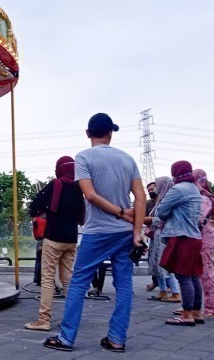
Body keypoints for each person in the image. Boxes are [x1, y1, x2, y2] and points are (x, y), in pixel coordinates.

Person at [43, 113, 145, 353]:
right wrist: (137, 231)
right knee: (123, 285)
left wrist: (120, 212)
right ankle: (117, 339)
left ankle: (67, 338)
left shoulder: (83, 157)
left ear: (88, 133)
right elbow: (141, 197)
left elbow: (90, 195)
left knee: (78, 282)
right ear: (110, 134)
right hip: (124, 233)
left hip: (98, 231)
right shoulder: (128, 159)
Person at [25, 156, 84, 332]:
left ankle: (44, 320)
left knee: (48, 279)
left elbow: (36, 204)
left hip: (53, 237)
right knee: (68, 280)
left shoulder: (56, 184)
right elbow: (82, 216)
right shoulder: (79, 186)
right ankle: (71, 320)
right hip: (72, 239)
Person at [156, 161, 203, 326]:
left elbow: (161, 211)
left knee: (183, 277)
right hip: (195, 236)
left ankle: (187, 315)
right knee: (193, 276)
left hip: (181, 236)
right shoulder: (195, 189)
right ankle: (197, 312)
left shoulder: (178, 189)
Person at [144, 176, 181, 302]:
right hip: (156, 235)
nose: (153, 190)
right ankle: (163, 291)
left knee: (164, 263)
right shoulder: (159, 200)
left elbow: (164, 218)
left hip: (164, 235)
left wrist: (149, 220)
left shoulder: (169, 199)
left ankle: (175, 293)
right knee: (156, 263)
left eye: (157, 186)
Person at [194, 169, 214, 318]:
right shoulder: (201, 196)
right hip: (202, 236)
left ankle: (212, 308)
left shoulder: (203, 198)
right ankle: (193, 305)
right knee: (197, 273)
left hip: (205, 237)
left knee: (206, 273)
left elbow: (198, 218)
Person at [145, 181, 160, 292]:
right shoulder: (148, 204)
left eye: (152, 189)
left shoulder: (164, 201)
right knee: (152, 259)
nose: (151, 191)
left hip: (164, 234)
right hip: (153, 234)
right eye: (149, 190)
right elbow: (143, 217)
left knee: (163, 260)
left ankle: (170, 287)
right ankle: (156, 282)